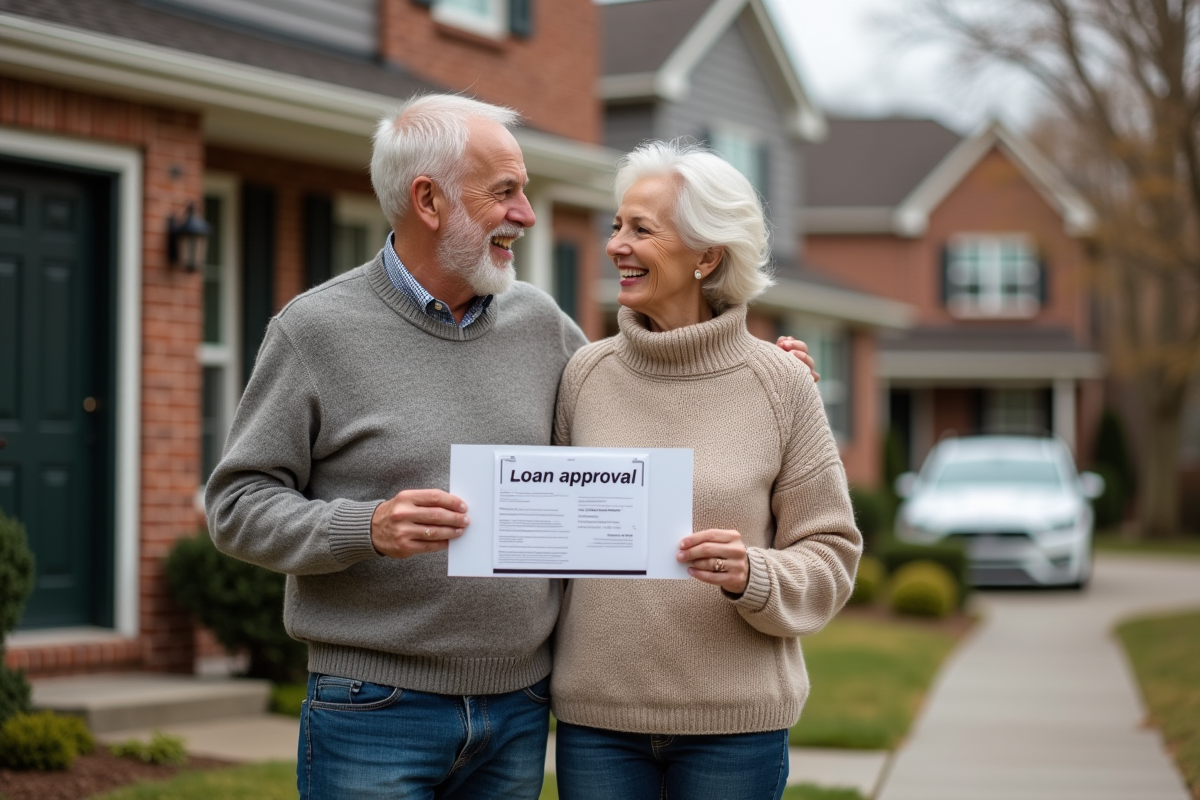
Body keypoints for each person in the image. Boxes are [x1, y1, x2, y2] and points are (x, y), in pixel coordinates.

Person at [205, 95, 818, 800]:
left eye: (523, 191)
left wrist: (761, 377)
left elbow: (645, 402)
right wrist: (364, 526)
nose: (526, 214)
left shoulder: (544, 328)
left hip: (518, 709)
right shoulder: (314, 331)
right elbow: (236, 505)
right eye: (505, 193)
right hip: (372, 704)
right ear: (429, 200)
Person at [549, 140, 862, 800]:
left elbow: (832, 555)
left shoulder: (782, 383)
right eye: (615, 226)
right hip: (597, 723)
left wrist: (755, 572)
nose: (616, 246)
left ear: (708, 255)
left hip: (735, 729)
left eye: (641, 229)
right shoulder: (584, 376)